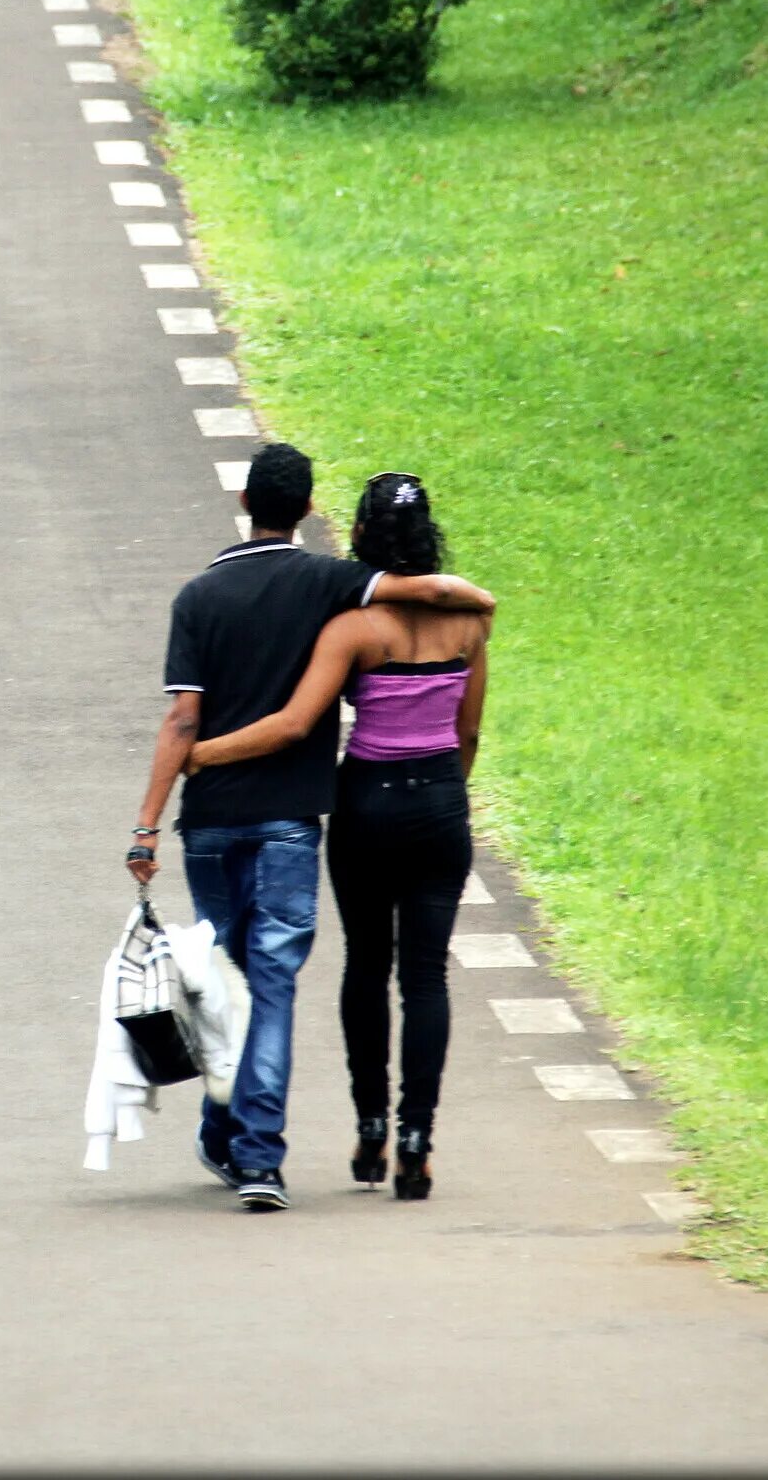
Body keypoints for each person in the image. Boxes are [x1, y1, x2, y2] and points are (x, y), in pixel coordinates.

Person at [127, 446, 494, 1213]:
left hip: (305, 813)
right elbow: (465, 730)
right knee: (394, 978)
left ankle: (315, 1132)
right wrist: (476, 600)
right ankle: (386, 1143)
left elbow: (251, 718)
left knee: (316, 971)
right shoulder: (430, 615)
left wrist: (181, 780)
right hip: (391, 811)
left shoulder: (319, 622)